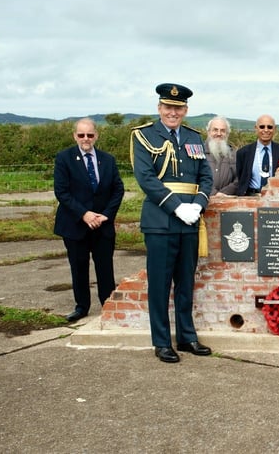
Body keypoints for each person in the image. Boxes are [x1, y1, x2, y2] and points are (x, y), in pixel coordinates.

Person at [131, 83, 213, 363]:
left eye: (178, 108)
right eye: (168, 107)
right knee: (159, 284)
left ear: (185, 110)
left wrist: (198, 204)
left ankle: (187, 337)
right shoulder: (143, 136)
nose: (173, 112)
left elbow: (206, 176)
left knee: (186, 283)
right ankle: (162, 341)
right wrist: (177, 207)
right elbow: (146, 178)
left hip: (190, 220)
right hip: (160, 222)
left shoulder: (194, 137)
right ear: (159, 108)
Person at [54, 118, 125, 322]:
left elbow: (118, 189)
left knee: (105, 267)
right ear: (75, 136)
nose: (86, 139)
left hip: (102, 224)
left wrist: (107, 214)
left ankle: (108, 304)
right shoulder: (64, 158)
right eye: (81, 135)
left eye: (90, 135)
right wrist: (84, 214)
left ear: (96, 135)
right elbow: (62, 191)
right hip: (75, 224)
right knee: (79, 266)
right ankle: (82, 306)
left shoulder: (108, 160)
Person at [235, 114, 279, 196]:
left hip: (277, 197)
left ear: (275, 129)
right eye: (262, 127)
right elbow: (241, 177)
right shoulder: (243, 153)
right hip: (250, 197)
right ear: (256, 128)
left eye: (269, 127)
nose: (266, 130)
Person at [205, 116, 238, 196]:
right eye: (215, 130)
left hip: (227, 200)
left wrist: (223, 193)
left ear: (227, 134)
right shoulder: (199, 153)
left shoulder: (234, 155)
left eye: (223, 131)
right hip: (203, 201)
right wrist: (214, 193)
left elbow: (240, 179)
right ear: (209, 132)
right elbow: (194, 177)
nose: (219, 134)